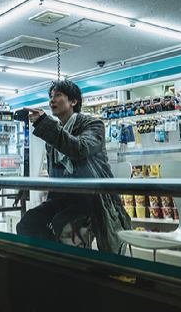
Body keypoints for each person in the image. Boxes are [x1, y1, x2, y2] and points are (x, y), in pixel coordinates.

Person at [16, 80, 131, 253]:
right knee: (28, 221)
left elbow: (79, 148)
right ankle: (42, 266)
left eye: (58, 95)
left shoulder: (93, 125)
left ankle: (66, 268)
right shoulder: (53, 134)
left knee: (59, 223)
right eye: (51, 96)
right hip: (63, 199)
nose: (52, 100)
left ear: (73, 101)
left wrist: (44, 124)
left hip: (91, 201)